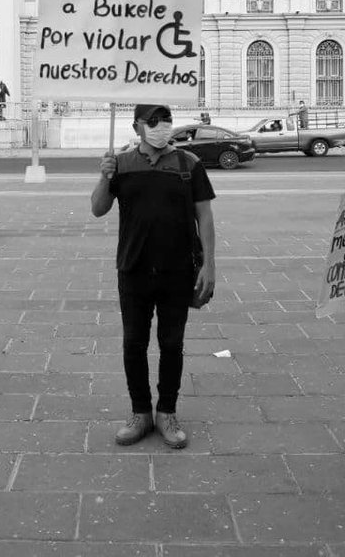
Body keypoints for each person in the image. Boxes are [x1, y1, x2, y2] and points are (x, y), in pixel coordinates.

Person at [91, 104, 216, 450]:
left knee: (172, 344)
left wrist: (210, 265)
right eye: (154, 121)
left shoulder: (188, 165)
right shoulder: (123, 164)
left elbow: (204, 216)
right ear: (137, 126)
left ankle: (167, 412)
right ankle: (140, 412)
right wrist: (105, 174)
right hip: (133, 270)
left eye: (167, 120)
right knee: (134, 343)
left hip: (178, 271)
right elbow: (98, 208)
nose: (162, 127)